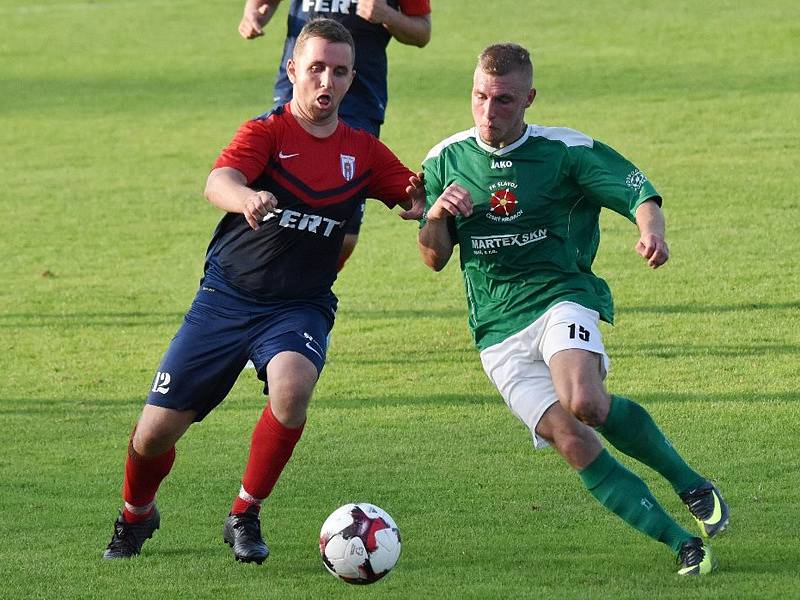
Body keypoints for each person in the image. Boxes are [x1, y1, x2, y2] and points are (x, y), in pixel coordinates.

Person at [102, 18, 424, 564]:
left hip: (298, 305)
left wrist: (431, 204)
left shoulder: (364, 152)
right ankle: (137, 514)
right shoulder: (267, 133)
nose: (327, 80)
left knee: (293, 386)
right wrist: (245, 198)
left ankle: (244, 514)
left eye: (340, 71)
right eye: (316, 67)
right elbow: (217, 181)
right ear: (292, 69)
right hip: (225, 299)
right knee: (154, 435)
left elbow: (413, 197)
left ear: (352, 78)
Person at [417, 43, 729, 576]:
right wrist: (438, 215)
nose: (489, 112)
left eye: (504, 101)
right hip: (495, 329)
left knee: (585, 400)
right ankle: (682, 544)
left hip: (562, 295)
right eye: (480, 97)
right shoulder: (444, 161)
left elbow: (637, 191)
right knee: (571, 439)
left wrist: (653, 235)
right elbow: (433, 258)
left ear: (529, 99)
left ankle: (690, 483)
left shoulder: (564, 150)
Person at [238, 0, 432, 270]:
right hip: (298, 94)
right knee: (279, 216)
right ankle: (271, 290)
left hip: (359, 101)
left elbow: (422, 31)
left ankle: (306, 290)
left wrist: (388, 15)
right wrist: (253, 15)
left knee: (344, 235)